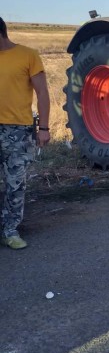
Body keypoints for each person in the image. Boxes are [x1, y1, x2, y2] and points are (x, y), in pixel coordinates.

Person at [0, 17, 51, 250]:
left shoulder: (28, 56)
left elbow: (42, 94)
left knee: (15, 183)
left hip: (18, 132)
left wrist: (44, 128)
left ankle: (10, 231)